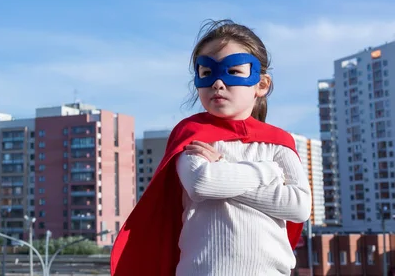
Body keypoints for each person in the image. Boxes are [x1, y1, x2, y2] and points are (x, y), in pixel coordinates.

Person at [111, 19, 312, 276]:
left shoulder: (278, 143)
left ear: (261, 85)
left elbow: (298, 206)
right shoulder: (192, 136)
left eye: (233, 71)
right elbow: (203, 183)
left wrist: (224, 170)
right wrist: (266, 173)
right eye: (207, 73)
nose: (218, 83)